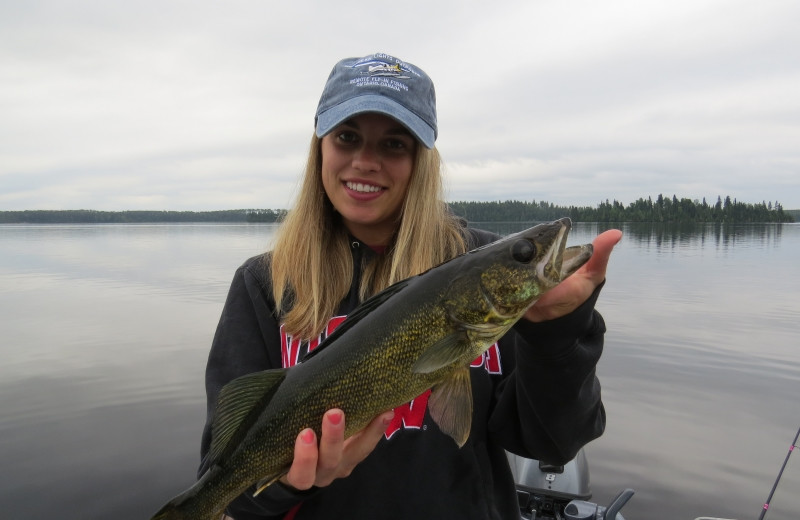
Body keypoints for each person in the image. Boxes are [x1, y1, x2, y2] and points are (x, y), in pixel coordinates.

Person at [199, 52, 622, 520]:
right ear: (320, 146)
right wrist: (285, 487)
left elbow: (553, 442)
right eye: (347, 137)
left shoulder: (477, 265)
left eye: (394, 145)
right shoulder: (263, 285)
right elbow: (229, 490)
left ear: (422, 161)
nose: (365, 162)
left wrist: (557, 333)